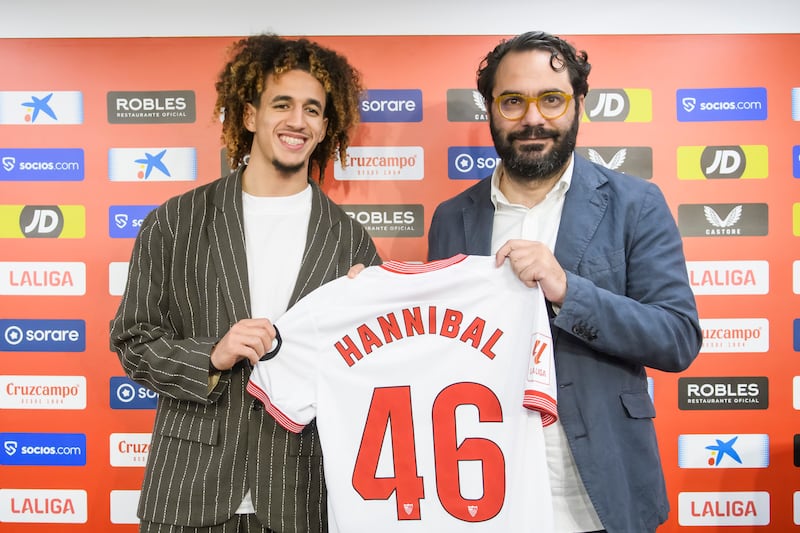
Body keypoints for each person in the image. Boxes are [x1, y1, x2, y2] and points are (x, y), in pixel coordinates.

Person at [427, 31, 702, 533]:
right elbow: (438, 347)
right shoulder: (451, 218)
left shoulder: (636, 204)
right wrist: (379, 305)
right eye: (513, 101)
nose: (533, 118)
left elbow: (677, 338)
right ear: (489, 109)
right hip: (484, 491)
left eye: (551, 99)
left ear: (578, 104)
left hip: (598, 495)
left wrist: (566, 289)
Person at [110, 34, 380, 533]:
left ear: (325, 127)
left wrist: (369, 327)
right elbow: (132, 340)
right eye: (282, 104)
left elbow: (371, 376)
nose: (297, 121)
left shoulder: (349, 241)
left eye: (313, 110)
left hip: (302, 497)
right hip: (187, 493)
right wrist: (210, 355)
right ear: (250, 115)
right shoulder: (175, 221)